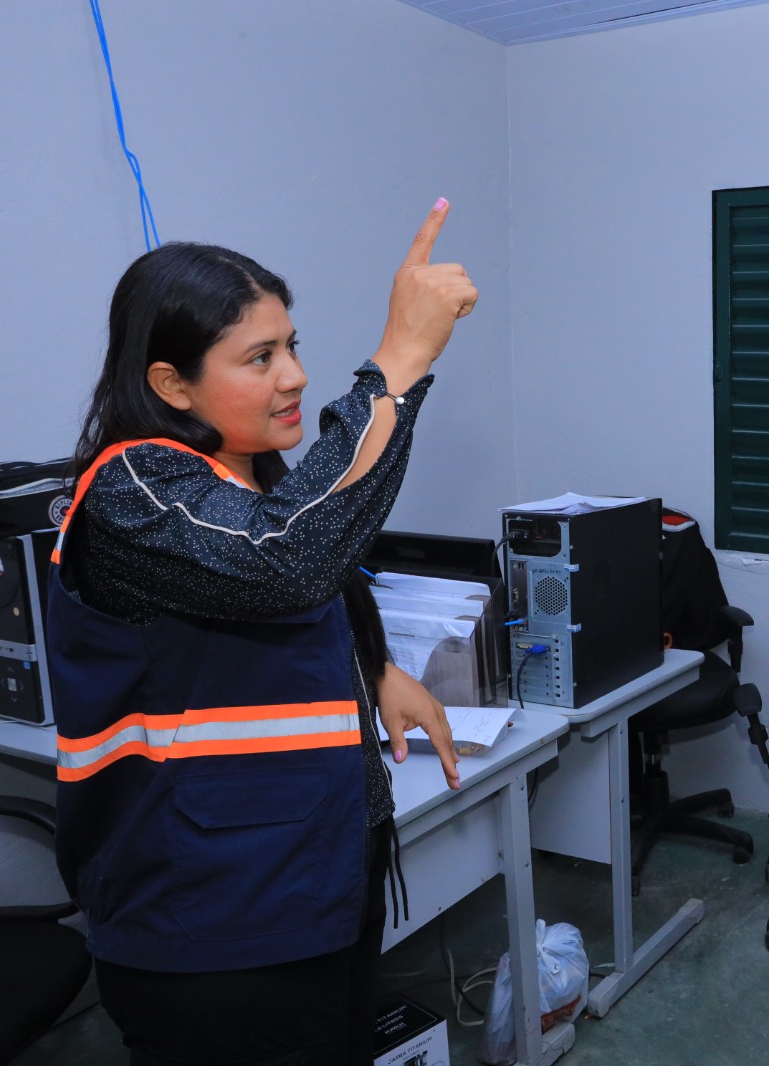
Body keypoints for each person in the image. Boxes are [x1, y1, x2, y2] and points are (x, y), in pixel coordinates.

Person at [47, 200, 477, 1065]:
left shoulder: (239, 479)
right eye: (260, 357)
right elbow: (285, 564)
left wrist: (371, 668)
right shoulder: (132, 489)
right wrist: (399, 361)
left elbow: (287, 593)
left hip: (312, 881)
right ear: (172, 385)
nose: (296, 377)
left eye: (292, 347)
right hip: (213, 920)